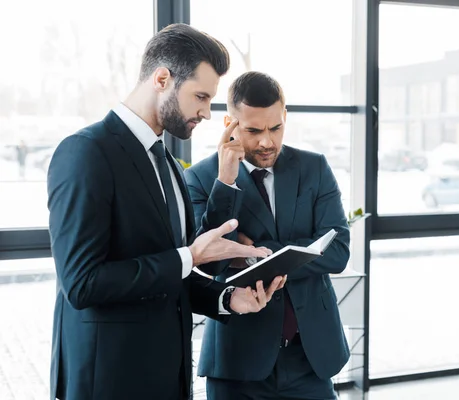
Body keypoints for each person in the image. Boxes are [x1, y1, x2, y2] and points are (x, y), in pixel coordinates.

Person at [47, 25, 285, 400]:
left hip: (167, 379)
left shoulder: (170, 164)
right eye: (201, 97)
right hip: (108, 382)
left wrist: (228, 299)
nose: (207, 113)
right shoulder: (85, 153)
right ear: (162, 79)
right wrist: (190, 256)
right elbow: (82, 283)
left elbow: (174, 272)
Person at [185, 71, 351, 400]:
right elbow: (207, 265)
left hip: (310, 356)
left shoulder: (313, 168)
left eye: (275, 128)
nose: (267, 142)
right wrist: (226, 182)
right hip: (238, 362)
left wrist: (258, 251)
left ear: (285, 116)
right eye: (254, 130)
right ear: (230, 125)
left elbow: (338, 252)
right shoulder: (202, 179)